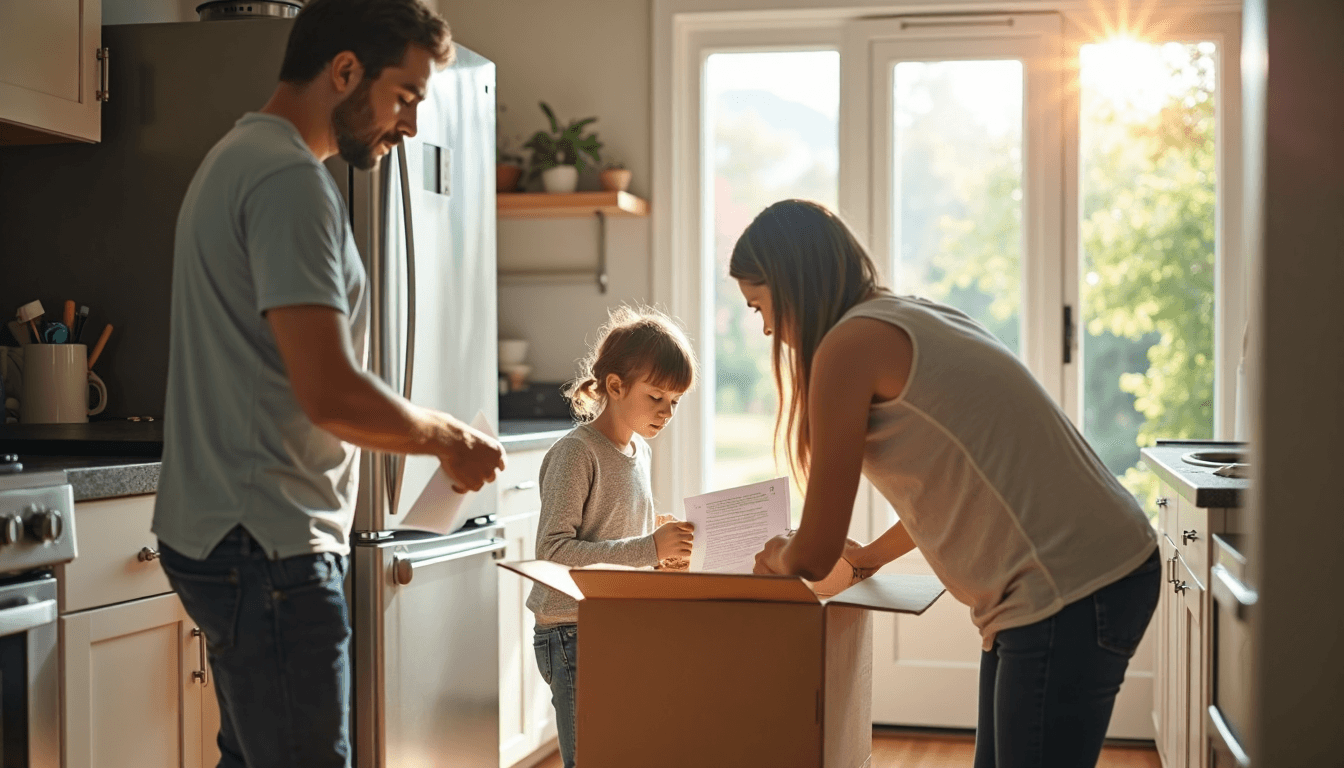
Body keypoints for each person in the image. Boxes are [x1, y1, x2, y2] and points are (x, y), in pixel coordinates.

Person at [151, 2, 504, 765]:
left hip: (229, 534)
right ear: (344, 71)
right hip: (268, 543)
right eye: (405, 95)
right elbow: (332, 393)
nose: (411, 125)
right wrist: (448, 437)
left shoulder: (240, 158)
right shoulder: (287, 181)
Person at [738, 200, 1161, 768]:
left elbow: (813, 554)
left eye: (761, 305)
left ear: (793, 284)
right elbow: (951, 478)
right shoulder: (905, 315)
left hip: (1066, 586)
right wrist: (871, 557)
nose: (766, 327)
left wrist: (777, 558)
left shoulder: (847, 347)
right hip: (1087, 573)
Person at [526, 306, 699, 768]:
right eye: (657, 396)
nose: (666, 412)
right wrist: (648, 547)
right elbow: (552, 552)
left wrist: (659, 545)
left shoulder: (638, 450)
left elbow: (614, 530)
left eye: (675, 402)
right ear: (616, 387)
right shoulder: (575, 454)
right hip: (572, 632)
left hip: (618, 623)